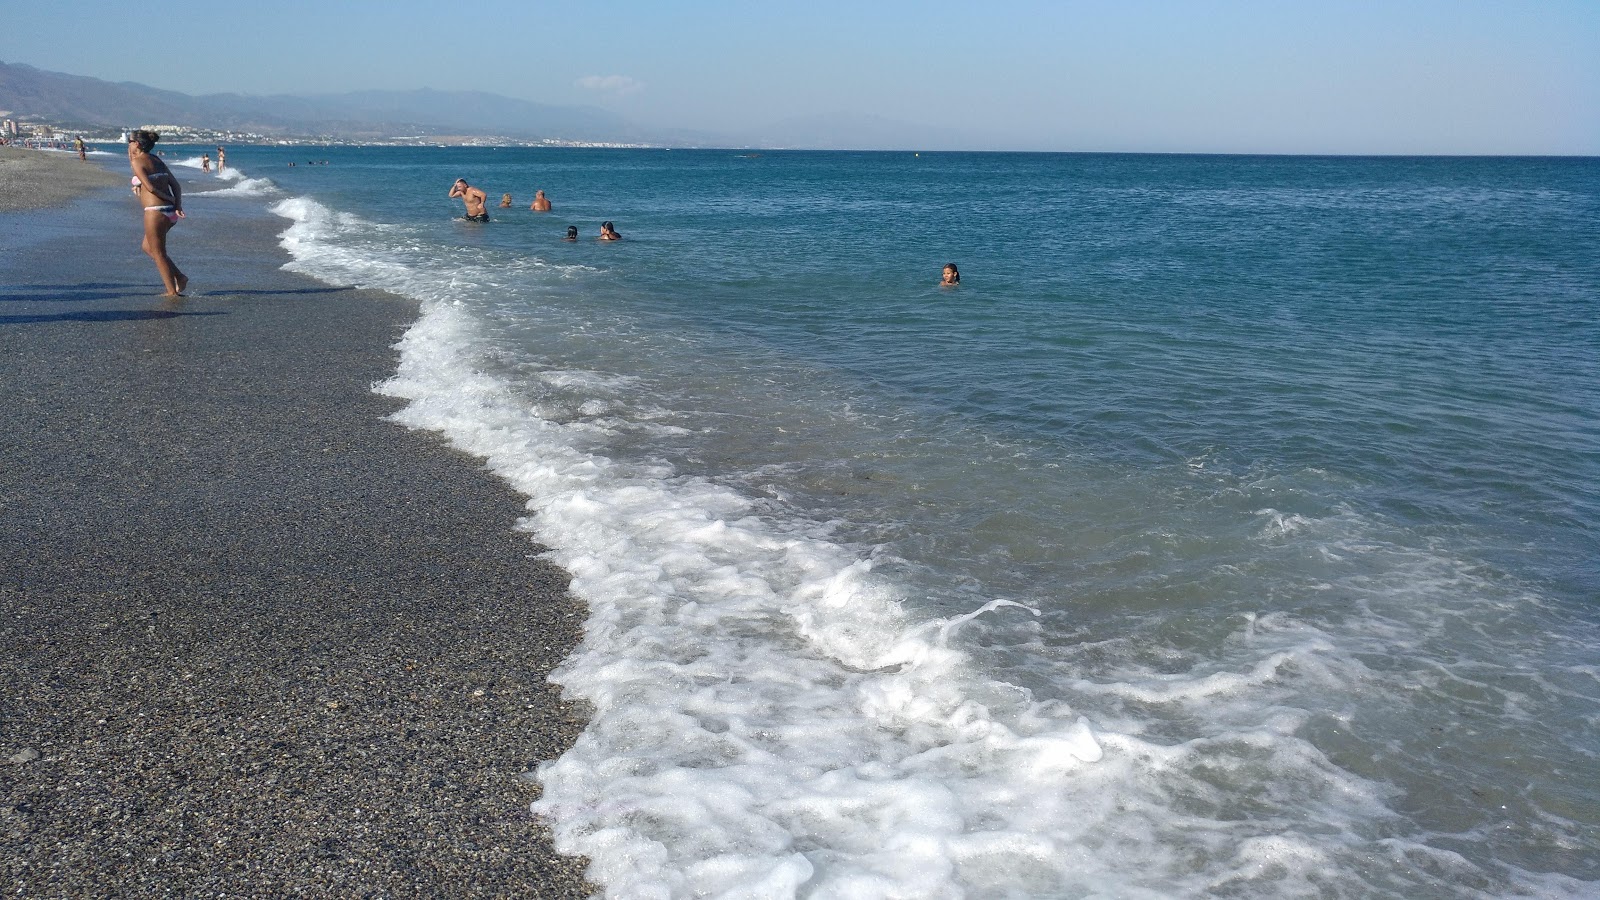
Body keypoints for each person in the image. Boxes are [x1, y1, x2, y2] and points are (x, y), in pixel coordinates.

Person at [127, 130, 187, 297]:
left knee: (159, 253)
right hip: (169, 212)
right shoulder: (156, 160)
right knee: (148, 247)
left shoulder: (138, 163)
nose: (128, 144)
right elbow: (176, 184)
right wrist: (177, 204)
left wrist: (169, 198)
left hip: (155, 212)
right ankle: (180, 276)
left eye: (130, 141)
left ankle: (171, 292)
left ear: (136, 144)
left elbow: (150, 188)